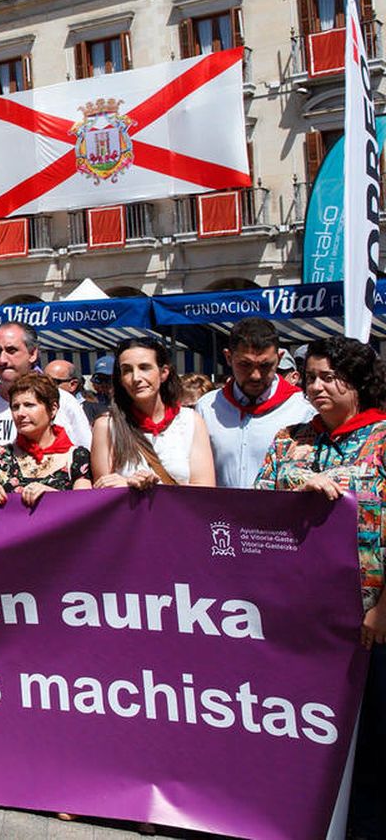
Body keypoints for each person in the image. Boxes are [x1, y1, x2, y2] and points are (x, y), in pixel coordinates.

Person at [253, 337, 386, 835]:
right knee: (304, 724)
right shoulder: (290, 438)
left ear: (358, 380)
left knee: (371, 732)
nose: (317, 386)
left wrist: (383, 608)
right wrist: (297, 489)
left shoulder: (382, 439)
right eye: (310, 377)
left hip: (367, 610)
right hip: (296, 610)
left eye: (330, 376)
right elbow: (256, 507)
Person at [197, 318, 313, 490]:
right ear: (228, 357)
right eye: (245, 365)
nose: (255, 375)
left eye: (265, 365)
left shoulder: (302, 408)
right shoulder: (206, 407)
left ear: (279, 358)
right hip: (220, 515)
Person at [90, 337, 215, 489]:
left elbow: (205, 489)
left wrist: (156, 488)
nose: (136, 378)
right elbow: (103, 491)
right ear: (121, 379)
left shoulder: (191, 421)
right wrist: (128, 486)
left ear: (163, 373)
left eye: (144, 367)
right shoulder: (106, 425)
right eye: (127, 370)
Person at [0, 323, 92, 450]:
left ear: (33, 354)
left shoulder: (64, 402)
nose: (2, 360)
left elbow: (86, 454)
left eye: (11, 350)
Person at [0, 374, 93, 508]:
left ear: (53, 409)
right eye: (15, 407)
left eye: (29, 405)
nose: (20, 413)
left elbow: (86, 509)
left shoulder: (77, 457)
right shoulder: (1, 456)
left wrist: (54, 496)